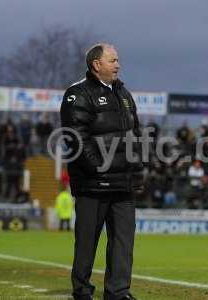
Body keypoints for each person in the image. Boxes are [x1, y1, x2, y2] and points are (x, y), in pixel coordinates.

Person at [60, 43, 143, 300]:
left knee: (123, 242)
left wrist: (137, 169)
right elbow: (76, 138)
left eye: (118, 60)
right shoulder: (78, 94)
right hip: (92, 183)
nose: (118, 64)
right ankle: (82, 290)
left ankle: (118, 292)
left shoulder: (124, 94)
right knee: (87, 241)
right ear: (97, 64)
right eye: (113, 60)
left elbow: (135, 136)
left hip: (123, 183)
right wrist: (98, 167)